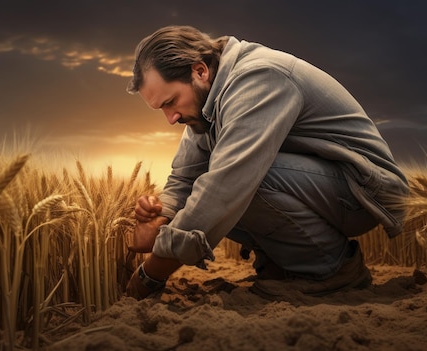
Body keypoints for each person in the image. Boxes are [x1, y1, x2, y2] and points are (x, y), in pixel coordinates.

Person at [124, 25, 409, 300]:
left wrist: (151, 273)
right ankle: (286, 266)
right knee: (209, 188)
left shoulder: (259, 77)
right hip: (322, 190)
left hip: (362, 193)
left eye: (170, 102)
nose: (170, 118)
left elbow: (226, 186)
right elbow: (185, 178)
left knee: (236, 182)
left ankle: (331, 271)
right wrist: (161, 216)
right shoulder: (205, 103)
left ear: (200, 70)